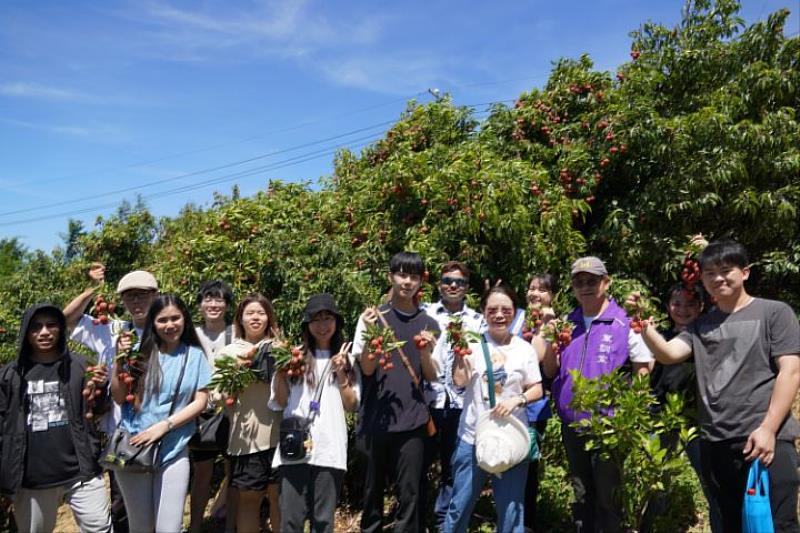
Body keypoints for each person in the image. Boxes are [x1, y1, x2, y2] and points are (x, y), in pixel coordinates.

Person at [636, 239, 800, 532]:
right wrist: (644, 326)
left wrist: (768, 429)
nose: (718, 278)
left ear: (745, 272)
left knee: (777, 524)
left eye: (726, 270)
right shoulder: (701, 325)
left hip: (764, 440)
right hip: (716, 442)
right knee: (727, 522)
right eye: (710, 273)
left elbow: (790, 371)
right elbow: (668, 353)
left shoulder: (774, 313)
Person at [543, 256, 652, 533]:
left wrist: (630, 412)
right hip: (572, 425)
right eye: (579, 282)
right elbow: (551, 370)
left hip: (608, 427)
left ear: (606, 282)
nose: (585, 287)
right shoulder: (568, 323)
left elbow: (642, 370)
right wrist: (548, 339)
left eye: (592, 281)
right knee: (581, 492)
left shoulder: (624, 323)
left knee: (607, 495)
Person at [63, 264, 159, 533]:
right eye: (130, 296)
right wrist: (92, 289)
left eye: (143, 294)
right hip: (122, 433)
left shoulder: (168, 327)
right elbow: (65, 320)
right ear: (123, 300)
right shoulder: (112, 328)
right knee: (122, 503)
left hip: (160, 428)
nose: (137, 301)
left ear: (155, 295)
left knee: (159, 501)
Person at [0, 304, 112, 533]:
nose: (44, 332)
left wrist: (100, 387)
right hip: (32, 478)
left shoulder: (80, 365)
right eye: (36, 327)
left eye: (51, 325)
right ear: (26, 332)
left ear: (60, 329)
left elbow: (97, 410)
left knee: (100, 527)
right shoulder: (11, 375)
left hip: (81, 471)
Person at [352, 251, 441, 533]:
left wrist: (426, 351)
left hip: (412, 420)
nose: (407, 281)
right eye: (402, 274)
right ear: (391, 277)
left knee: (410, 494)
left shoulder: (429, 323)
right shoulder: (372, 318)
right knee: (372, 494)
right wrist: (369, 334)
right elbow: (366, 369)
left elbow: (431, 374)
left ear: (420, 283)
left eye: (414, 276)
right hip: (374, 419)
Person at [443, 284, 543, 533]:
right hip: (473, 437)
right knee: (460, 506)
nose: (499, 315)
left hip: (512, 438)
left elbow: (537, 389)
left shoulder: (524, 349)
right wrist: (460, 357)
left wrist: (516, 400)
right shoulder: (472, 344)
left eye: (506, 310)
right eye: (493, 309)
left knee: (511, 510)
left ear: (514, 312)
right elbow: (459, 382)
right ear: (484, 312)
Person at [111, 294, 210, 533]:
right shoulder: (137, 353)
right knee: (141, 527)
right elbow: (118, 396)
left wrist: (165, 425)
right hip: (135, 446)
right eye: (162, 320)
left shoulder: (194, 355)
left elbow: (201, 401)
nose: (170, 325)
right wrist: (118, 361)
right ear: (152, 323)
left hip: (175, 448)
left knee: (169, 527)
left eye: (175, 318)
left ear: (184, 319)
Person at [270, 293, 359, 533]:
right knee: (291, 519)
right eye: (316, 319)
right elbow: (279, 401)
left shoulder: (346, 359)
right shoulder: (294, 356)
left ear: (337, 323)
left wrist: (341, 373)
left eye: (327, 318)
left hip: (330, 447)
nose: (322, 326)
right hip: (294, 447)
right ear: (307, 325)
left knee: (323, 520)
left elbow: (351, 404)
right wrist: (279, 371)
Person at [639, 283, 722, 533]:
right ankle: (652, 525)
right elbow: (647, 372)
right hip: (660, 415)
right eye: (677, 303)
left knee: (709, 477)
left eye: (690, 304)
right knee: (655, 477)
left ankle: (720, 522)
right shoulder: (658, 334)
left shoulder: (707, 334)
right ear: (667, 307)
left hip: (696, 418)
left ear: (701, 306)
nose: (683, 309)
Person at [421, 260, 484, 531]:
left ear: (467, 288)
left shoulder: (477, 321)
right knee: (419, 466)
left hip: (460, 404)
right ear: (439, 284)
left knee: (451, 468)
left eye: (459, 282)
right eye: (447, 281)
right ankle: (417, 520)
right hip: (427, 401)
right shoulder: (424, 313)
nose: (453, 286)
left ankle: (443, 523)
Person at [217, 294, 282, 533]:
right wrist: (237, 371)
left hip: (279, 435)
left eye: (261, 313)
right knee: (249, 501)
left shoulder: (280, 348)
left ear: (269, 318)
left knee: (279, 497)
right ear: (240, 319)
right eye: (250, 313)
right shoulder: (228, 353)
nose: (256, 318)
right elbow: (219, 395)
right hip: (246, 440)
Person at [190, 279, 236, 533]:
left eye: (219, 299)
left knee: (233, 471)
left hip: (229, 411)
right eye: (208, 299)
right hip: (201, 412)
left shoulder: (235, 332)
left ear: (227, 305)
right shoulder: (191, 335)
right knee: (202, 473)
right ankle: (196, 525)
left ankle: (229, 523)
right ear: (200, 305)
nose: (213, 304)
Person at [521, 273, 557, 533]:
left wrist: (545, 325)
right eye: (531, 288)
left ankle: (526, 523)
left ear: (552, 295)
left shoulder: (554, 323)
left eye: (542, 290)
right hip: (507, 403)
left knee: (529, 468)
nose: (535, 293)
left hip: (534, 407)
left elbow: (537, 359)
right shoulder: (516, 317)